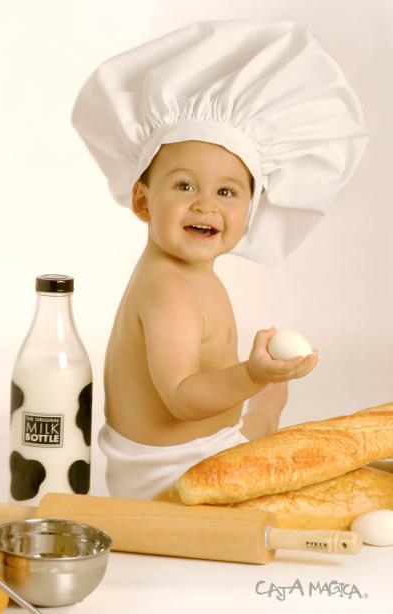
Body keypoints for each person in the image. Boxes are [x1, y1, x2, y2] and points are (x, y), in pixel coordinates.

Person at [71, 20, 368, 499]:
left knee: (307, 438)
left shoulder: (184, 274)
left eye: (227, 191)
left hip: (191, 451)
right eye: (184, 185)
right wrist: (252, 377)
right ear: (144, 201)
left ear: (250, 211)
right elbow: (182, 398)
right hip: (169, 472)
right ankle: (261, 424)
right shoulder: (169, 289)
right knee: (318, 465)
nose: (205, 204)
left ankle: (259, 421)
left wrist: (255, 384)